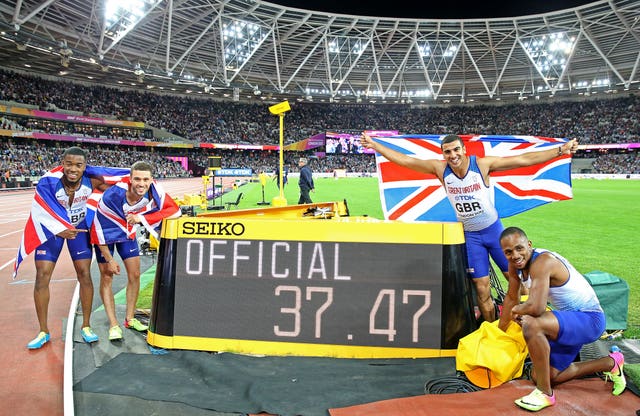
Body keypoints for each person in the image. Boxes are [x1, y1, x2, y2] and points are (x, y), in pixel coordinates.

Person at [361, 133, 578, 322]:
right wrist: (376, 146)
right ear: (443, 154)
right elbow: (406, 161)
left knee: (519, 282)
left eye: (456, 150)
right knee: (482, 289)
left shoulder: (481, 165)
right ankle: (492, 329)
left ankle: (526, 323)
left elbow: (523, 159)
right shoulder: (440, 169)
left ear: (464, 149)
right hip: (471, 237)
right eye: (447, 152)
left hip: (494, 233)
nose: (452, 155)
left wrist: (560, 150)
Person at [497, 226, 625, 411]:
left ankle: (545, 394)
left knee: (532, 324)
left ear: (529, 245)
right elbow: (511, 297)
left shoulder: (543, 261)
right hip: (570, 319)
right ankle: (612, 363)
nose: (515, 255)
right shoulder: (516, 265)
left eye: (519, 248)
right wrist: (499, 332)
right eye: (508, 252)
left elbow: (536, 307)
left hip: (589, 319)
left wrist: (517, 311)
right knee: (545, 375)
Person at [18, 146, 127, 349]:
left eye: (78, 165)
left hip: (79, 230)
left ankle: (86, 326)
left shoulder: (92, 181)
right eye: (68, 164)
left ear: (85, 166)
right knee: (42, 275)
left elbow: (118, 190)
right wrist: (59, 229)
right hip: (51, 230)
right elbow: (39, 210)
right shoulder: (48, 182)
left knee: (84, 274)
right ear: (63, 163)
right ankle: (43, 331)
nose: (73, 169)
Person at [91, 161, 181, 340]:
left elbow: (174, 209)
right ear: (130, 179)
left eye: (145, 179)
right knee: (107, 276)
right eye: (137, 179)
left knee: (135, 274)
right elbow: (97, 227)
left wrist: (141, 217)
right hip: (105, 232)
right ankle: (113, 325)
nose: (142, 183)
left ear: (151, 180)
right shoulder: (113, 195)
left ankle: (129, 319)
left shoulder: (154, 190)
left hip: (127, 231)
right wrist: (109, 259)